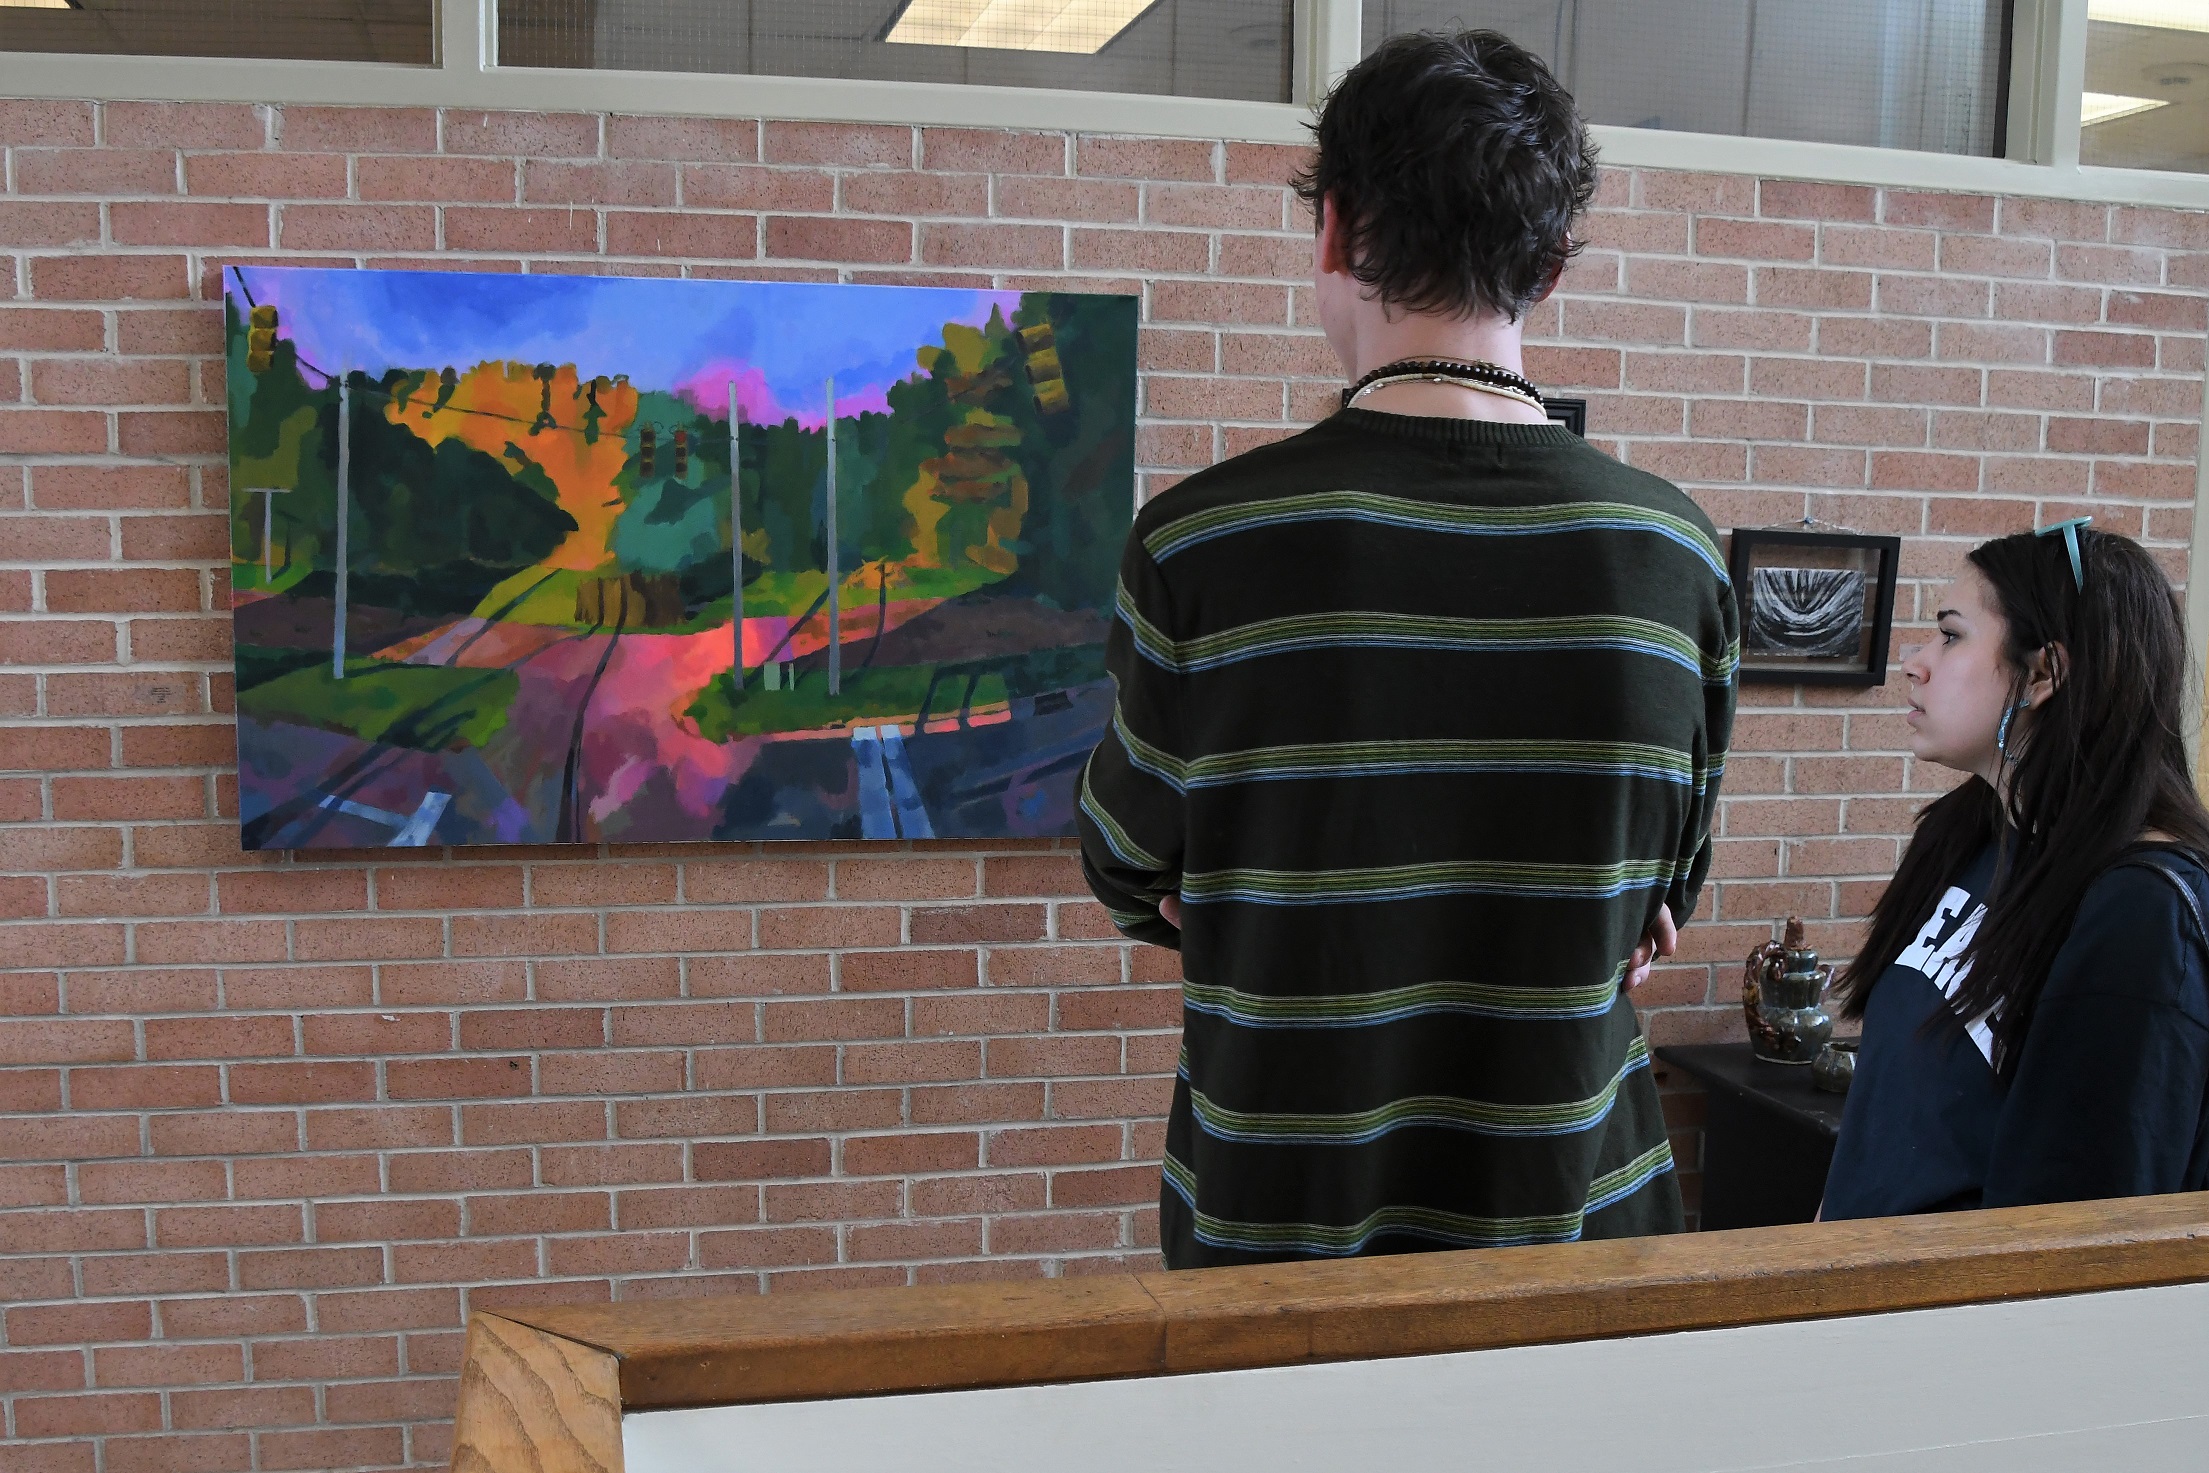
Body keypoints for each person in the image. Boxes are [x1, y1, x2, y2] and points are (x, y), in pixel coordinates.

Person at [1076, 30, 1739, 1269]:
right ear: (1549, 264)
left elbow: (1128, 865)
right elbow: (1667, 893)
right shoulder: (1674, 554)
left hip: (1282, 1216)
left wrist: (1244, 891)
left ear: (1334, 232)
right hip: (1572, 1215)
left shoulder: (1201, 541)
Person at [1821, 523, 2209, 1219]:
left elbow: (2083, 1231)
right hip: (1856, 1299)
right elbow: (1884, 1126)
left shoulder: (2139, 914)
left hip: (1961, 1317)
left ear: (2042, 674)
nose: (1914, 661)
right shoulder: (1966, 832)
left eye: (1949, 635)